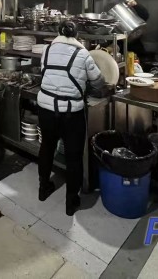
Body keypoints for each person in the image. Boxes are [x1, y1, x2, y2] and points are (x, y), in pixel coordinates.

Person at [37, 20, 105, 216]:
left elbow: (45, 72)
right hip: (71, 112)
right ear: (76, 36)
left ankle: (43, 188)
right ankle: (71, 202)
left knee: (47, 147)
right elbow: (98, 82)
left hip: (46, 109)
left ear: (59, 33)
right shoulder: (83, 54)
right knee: (73, 156)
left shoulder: (47, 50)